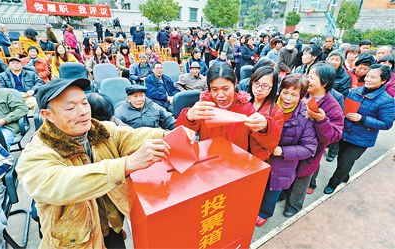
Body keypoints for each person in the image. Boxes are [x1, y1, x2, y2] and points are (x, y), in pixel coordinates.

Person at [16, 77, 195, 248]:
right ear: (48, 115)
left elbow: (131, 136)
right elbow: (61, 183)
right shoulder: (35, 155)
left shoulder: (99, 130)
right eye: (70, 108)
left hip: (111, 228)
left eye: (84, 103)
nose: (83, 111)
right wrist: (126, 164)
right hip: (74, 240)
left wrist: (168, 135)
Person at [283, 63, 344, 217]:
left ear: (324, 83)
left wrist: (322, 120)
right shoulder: (302, 93)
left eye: (311, 77)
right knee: (287, 172)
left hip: (310, 152)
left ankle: (294, 206)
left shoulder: (332, 105)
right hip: (292, 145)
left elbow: (334, 136)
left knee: (301, 180)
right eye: (307, 75)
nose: (307, 79)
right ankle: (283, 195)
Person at [256, 74, 317, 227]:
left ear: (302, 96)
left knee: (272, 192)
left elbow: (310, 148)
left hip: (282, 164)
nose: (287, 98)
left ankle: (264, 213)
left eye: (294, 94)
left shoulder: (304, 116)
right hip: (260, 158)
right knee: (257, 188)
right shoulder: (267, 104)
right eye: (285, 92)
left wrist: (282, 151)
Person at [324, 64, 394, 194]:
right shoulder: (355, 91)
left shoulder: (388, 101)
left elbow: (386, 124)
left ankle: (333, 184)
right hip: (345, 132)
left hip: (361, 138)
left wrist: (362, 119)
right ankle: (344, 175)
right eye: (367, 76)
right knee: (341, 159)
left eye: (373, 77)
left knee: (345, 162)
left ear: (383, 81)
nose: (368, 79)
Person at [176, 63, 269, 155]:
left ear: (235, 84)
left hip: (237, 162)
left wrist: (265, 127)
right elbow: (180, 138)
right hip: (208, 161)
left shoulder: (246, 107)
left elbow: (261, 141)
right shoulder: (204, 106)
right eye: (215, 89)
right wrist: (188, 117)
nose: (220, 95)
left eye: (225, 89)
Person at [248, 66, 284, 162]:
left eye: (265, 86)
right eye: (256, 84)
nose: (259, 89)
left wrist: (265, 128)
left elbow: (272, 144)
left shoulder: (276, 112)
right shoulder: (244, 101)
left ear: (272, 88)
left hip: (256, 158)